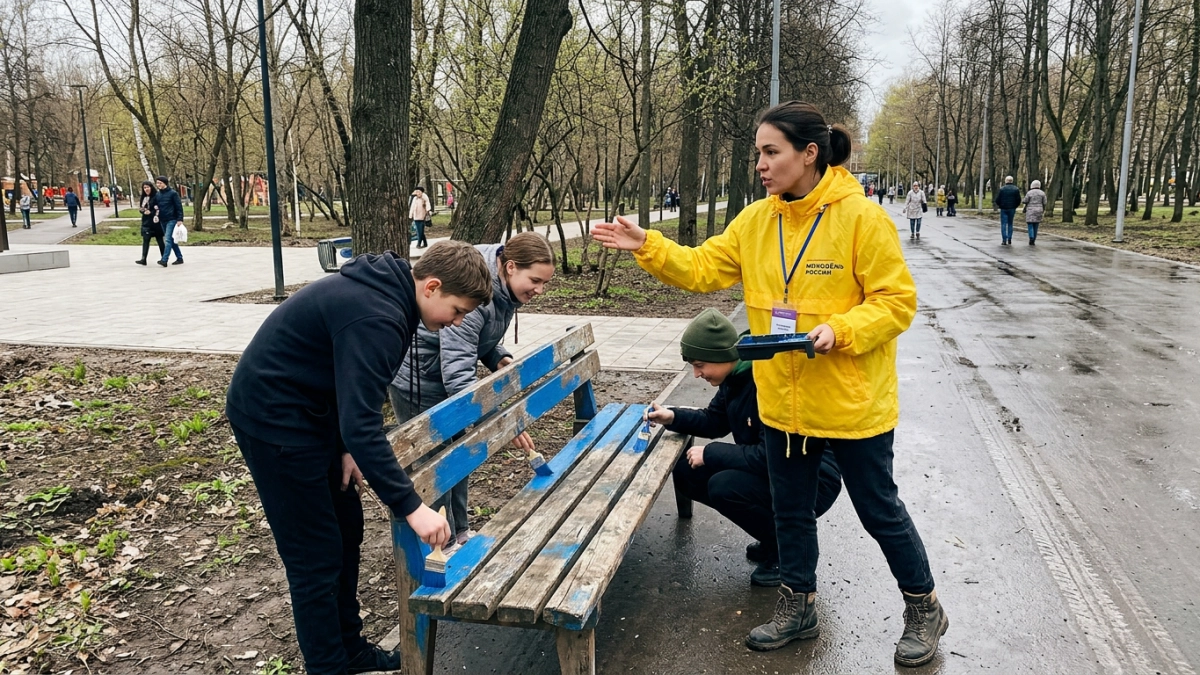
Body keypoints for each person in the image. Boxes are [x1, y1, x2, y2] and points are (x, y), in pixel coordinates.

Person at [593, 100, 947, 667]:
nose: (760, 163)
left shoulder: (863, 219)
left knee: (878, 510)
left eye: (770, 152)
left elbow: (896, 303)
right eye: (757, 152)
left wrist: (843, 328)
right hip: (784, 401)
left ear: (809, 155)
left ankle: (923, 607)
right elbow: (704, 267)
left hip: (852, 402)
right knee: (790, 511)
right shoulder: (757, 221)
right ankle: (797, 603)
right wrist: (648, 246)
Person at [225, 241, 493, 675]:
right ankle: (328, 666)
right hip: (274, 422)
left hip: (313, 415)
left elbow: (349, 390)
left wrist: (345, 448)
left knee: (346, 533)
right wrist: (412, 508)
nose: (456, 323)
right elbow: (363, 423)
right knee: (315, 559)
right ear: (432, 286)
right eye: (458, 311)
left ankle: (349, 650)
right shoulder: (378, 317)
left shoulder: (390, 300)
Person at [650, 308, 843, 588]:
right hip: (772, 469)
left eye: (700, 365)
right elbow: (715, 420)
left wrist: (711, 453)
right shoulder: (734, 377)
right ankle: (772, 536)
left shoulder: (762, 380)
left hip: (808, 478)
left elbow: (772, 455)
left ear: (721, 356)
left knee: (725, 486)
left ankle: (783, 551)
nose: (695, 374)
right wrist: (673, 416)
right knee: (686, 472)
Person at [390, 232, 555, 547]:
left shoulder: (505, 287)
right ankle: (443, 543)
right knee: (437, 465)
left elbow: (476, 338)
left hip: (445, 375)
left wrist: (497, 356)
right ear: (510, 267)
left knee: (458, 457)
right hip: (419, 380)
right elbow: (456, 372)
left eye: (544, 282)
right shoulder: (477, 289)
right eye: (535, 280)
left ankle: (459, 530)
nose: (540, 289)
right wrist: (499, 419)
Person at [154, 176, 185, 266]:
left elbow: (178, 207)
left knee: (167, 240)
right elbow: (156, 206)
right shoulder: (158, 194)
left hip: (172, 219)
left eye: (160, 183)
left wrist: (180, 219)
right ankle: (179, 258)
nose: (158, 185)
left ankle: (164, 260)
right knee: (172, 239)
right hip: (162, 219)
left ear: (165, 183)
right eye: (157, 183)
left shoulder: (173, 193)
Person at [135, 182, 165, 266]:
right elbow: (141, 208)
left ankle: (164, 258)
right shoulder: (143, 198)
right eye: (144, 188)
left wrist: (151, 212)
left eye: (147, 187)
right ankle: (143, 259)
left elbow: (159, 208)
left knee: (160, 240)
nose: (146, 189)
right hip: (146, 222)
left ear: (151, 187)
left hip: (156, 221)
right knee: (145, 240)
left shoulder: (156, 196)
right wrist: (142, 211)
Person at [995, 175, 1021, 245]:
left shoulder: (1002, 189)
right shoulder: (1016, 189)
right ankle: (1009, 238)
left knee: (1003, 224)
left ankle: (1004, 239)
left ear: (1006, 181)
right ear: (1012, 181)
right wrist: (1015, 206)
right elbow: (1018, 200)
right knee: (1010, 223)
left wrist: (1000, 205)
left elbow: (997, 199)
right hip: (1012, 208)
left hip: (1003, 208)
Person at [1023, 179, 1047, 246]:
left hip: (1030, 210)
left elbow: (1025, 201)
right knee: (1036, 225)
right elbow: (1045, 202)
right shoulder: (1042, 193)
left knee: (1030, 224)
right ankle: (1034, 239)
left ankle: (1031, 237)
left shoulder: (1029, 193)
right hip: (1039, 210)